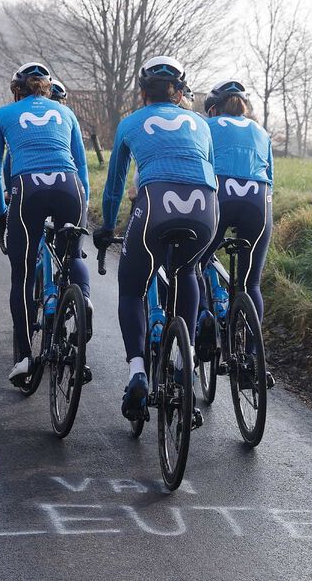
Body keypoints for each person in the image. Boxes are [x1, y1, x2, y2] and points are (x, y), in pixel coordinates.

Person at [92, 56, 218, 421]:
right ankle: (185, 362)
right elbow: (207, 169)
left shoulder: (130, 122)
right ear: (180, 93)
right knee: (188, 273)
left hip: (154, 204)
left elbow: (115, 184)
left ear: (143, 92)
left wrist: (107, 228)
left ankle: (137, 374)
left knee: (132, 289)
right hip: (206, 207)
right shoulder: (201, 124)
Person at [0, 62, 91, 386]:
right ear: (47, 89)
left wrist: (2, 209)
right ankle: (82, 299)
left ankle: (23, 359)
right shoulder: (67, 114)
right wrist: (83, 210)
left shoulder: (4, 115)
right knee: (72, 257)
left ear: (18, 90)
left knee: (23, 273)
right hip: (70, 186)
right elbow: (83, 171)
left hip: (27, 188)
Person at [199, 80, 273, 320]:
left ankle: (202, 322)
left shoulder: (206, 125)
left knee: (193, 266)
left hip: (220, 195)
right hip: (259, 199)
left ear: (213, 109)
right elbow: (270, 176)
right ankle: (251, 354)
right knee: (251, 285)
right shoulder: (261, 131)